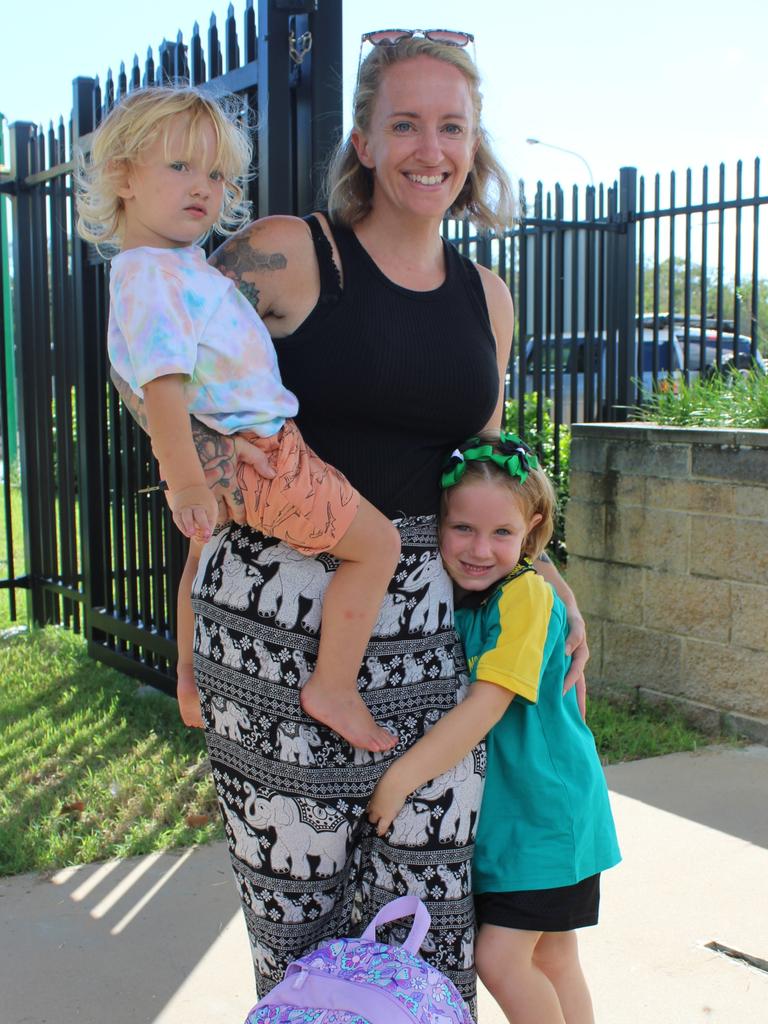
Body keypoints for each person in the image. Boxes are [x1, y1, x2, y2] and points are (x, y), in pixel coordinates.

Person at [111, 32, 589, 1014]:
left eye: (450, 125)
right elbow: (150, 351)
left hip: (425, 637)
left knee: (426, 919)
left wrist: (545, 575)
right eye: (403, 122)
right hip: (272, 623)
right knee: (298, 918)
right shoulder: (290, 249)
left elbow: (487, 468)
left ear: (473, 142)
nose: (430, 147)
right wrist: (212, 470)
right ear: (365, 141)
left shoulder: (485, 298)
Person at [75, 84, 401, 752]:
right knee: (378, 547)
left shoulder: (170, 265)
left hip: (244, 444)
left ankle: (188, 678)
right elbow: (161, 386)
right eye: (180, 167)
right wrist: (186, 480)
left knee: (201, 560)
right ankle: (333, 688)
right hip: (261, 454)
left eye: (217, 174)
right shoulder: (151, 277)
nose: (204, 187)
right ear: (122, 176)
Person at [367, 431, 621, 1024]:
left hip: (545, 817)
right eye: (463, 529)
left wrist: (400, 778)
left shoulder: (526, 597)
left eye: (502, 533)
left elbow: (488, 704)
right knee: (554, 959)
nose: (480, 548)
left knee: (502, 959)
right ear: (438, 525)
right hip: (520, 820)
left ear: (531, 532)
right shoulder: (456, 596)